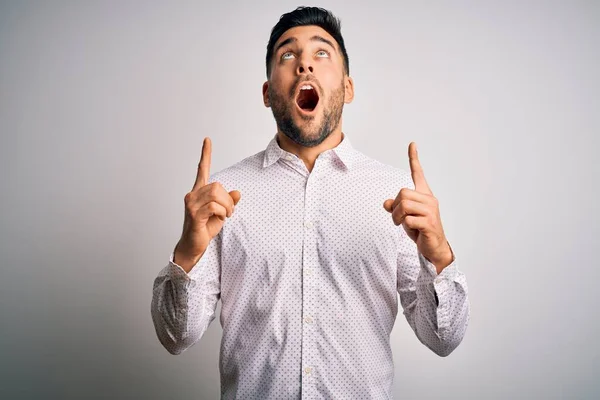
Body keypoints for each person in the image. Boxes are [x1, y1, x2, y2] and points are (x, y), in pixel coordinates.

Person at [151, 6, 470, 399]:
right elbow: (174, 336)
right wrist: (187, 252)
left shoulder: (397, 196)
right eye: (288, 55)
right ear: (268, 93)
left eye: (322, 53)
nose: (304, 64)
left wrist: (439, 256)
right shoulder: (221, 197)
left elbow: (444, 338)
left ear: (348, 88)